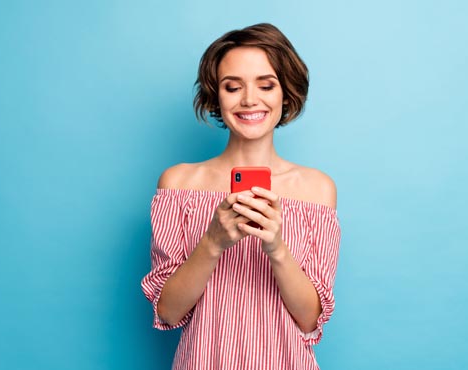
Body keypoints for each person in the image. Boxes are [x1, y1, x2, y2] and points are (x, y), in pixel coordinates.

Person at [141, 23, 341, 370]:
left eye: (266, 85)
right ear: (215, 95)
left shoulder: (317, 190)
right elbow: (167, 312)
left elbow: (310, 320)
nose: (250, 99)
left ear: (286, 94)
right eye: (233, 87)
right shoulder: (179, 183)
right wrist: (212, 242)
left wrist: (277, 248)